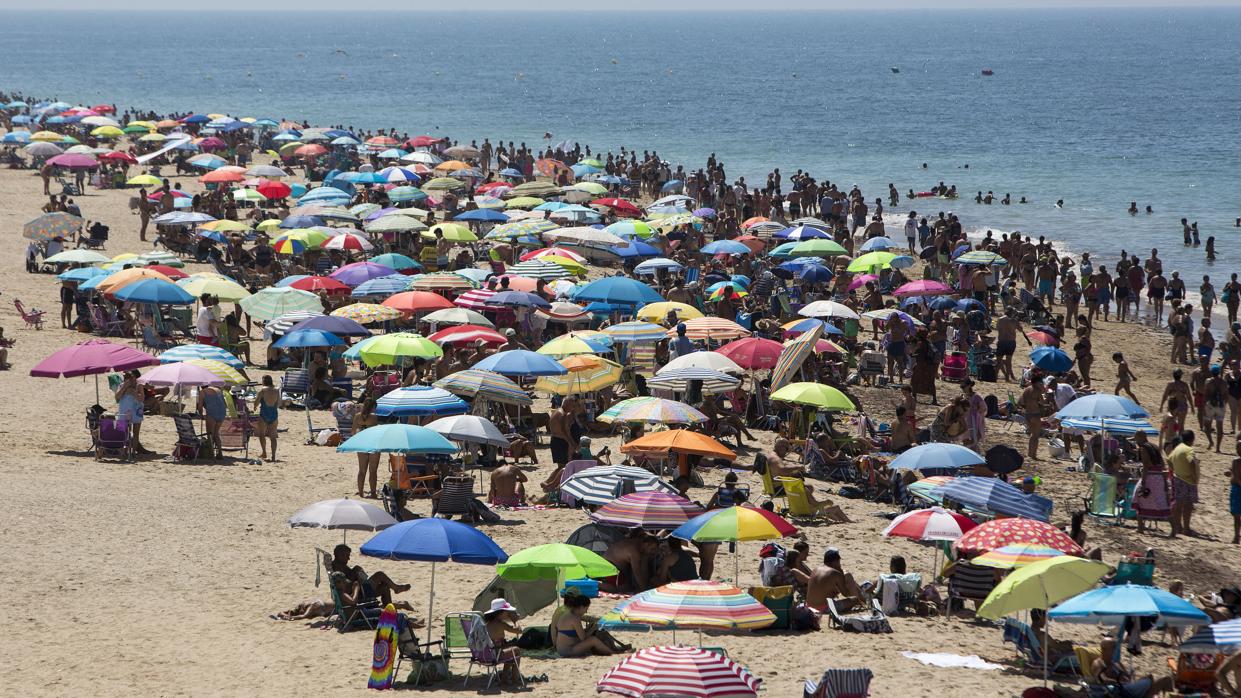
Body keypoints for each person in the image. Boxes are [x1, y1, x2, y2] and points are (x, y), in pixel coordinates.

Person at [550, 590, 627, 657]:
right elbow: (583, 638)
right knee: (593, 640)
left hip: (561, 649)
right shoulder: (575, 618)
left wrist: (589, 628)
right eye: (586, 609)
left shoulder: (568, 614)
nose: (586, 612)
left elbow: (576, 634)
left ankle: (612, 649)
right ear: (581, 607)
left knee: (592, 634)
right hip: (567, 651)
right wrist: (594, 627)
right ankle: (613, 652)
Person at [329, 544, 410, 607]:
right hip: (357, 594)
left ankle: (389, 614)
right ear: (339, 555)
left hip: (361, 590)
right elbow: (345, 588)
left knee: (384, 588)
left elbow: (350, 578)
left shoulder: (340, 565)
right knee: (379, 574)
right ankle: (396, 588)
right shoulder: (337, 569)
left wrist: (357, 573)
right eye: (346, 556)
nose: (348, 558)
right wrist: (355, 572)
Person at [803, 548, 863, 614]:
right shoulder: (835, 573)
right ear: (835, 562)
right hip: (823, 608)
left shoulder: (815, 569)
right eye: (838, 562)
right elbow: (845, 594)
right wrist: (843, 577)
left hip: (808, 606)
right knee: (855, 599)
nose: (839, 565)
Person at [482, 599, 523, 685]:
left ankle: (504, 679)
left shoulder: (488, 624)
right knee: (517, 650)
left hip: (486, 654)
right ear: (501, 613)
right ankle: (515, 679)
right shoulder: (500, 624)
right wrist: (516, 621)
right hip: (496, 655)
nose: (508, 613)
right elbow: (519, 631)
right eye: (507, 612)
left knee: (509, 650)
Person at [1169, 431, 1199, 538]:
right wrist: (1194, 475)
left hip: (1178, 478)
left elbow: (1169, 460)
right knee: (1188, 505)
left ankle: (1178, 527)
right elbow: (1191, 461)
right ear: (1191, 440)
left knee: (1178, 503)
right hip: (1188, 480)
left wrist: (1175, 470)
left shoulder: (1177, 448)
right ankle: (1186, 529)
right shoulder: (1189, 449)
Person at [114, 369, 152, 454]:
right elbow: (117, 398)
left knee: (135, 433)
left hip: (136, 410)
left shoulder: (139, 386)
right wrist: (124, 388)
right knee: (124, 432)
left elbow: (142, 399)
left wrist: (133, 393)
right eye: (127, 378)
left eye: (132, 377)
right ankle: (124, 451)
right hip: (125, 411)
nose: (130, 380)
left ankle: (133, 451)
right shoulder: (121, 385)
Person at [252, 375, 279, 462]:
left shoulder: (262, 390)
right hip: (274, 414)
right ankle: (273, 456)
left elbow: (256, 402)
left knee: (262, 434)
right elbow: (279, 403)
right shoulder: (277, 390)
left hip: (264, 413)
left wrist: (255, 407)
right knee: (273, 436)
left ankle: (264, 452)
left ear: (264, 381)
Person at [196, 383, 227, 459]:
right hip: (222, 413)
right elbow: (225, 405)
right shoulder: (218, 389)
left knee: (210, 435)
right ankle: (220, 453)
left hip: (212, 413)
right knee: (216, 434)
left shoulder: (203, 392)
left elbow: (199, 407)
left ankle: (211, 454)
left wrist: (201, 415)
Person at [1230, 438, 1241, 545]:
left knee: (1236, 514)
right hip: (1236, 487)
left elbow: (1237, 477)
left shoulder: (1236, 460)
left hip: (1237, 489)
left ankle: (1236, 536)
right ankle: (1237, 536)